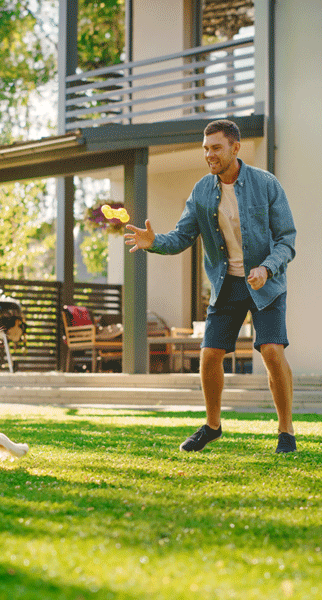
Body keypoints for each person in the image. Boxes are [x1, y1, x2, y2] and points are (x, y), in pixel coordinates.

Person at [124, 119, 297, 453]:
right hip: (226, 284)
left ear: (235, 147)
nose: (209, 155)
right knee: (209, 354)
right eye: (205, 148)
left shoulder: (266, 184)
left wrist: (266, 267)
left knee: (272, 352)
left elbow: (287, 241)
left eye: (216, 147)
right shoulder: (202, 191)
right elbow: (182, 236)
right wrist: (153, 241)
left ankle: (286, 432)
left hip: (266, 282)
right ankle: (213, 426)